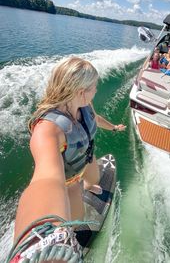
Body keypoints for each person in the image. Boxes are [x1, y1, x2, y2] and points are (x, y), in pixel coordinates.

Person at [7, 57, 126, 262]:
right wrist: (41, 241)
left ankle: (88, 186)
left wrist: (114, 127)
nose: (97, 90)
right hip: (68, 180)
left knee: (94, 181)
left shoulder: (84, 106)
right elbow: (46, 180)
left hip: (85, 156)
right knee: (77, 218)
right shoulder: (48, 130)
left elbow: (95, 120)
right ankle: (66, 227)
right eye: (94, 87)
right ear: (81, 91)